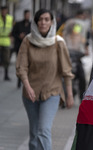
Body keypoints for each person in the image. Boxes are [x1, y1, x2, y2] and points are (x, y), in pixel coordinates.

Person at [16, 9, 74, 150]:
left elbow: (66, 71)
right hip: (30, 93)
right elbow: (21, 67)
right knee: (34, 132)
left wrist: (69, 95)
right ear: (35, 22)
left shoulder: (58, 42)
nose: (43, 22)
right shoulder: (28, 41)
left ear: (52, 22)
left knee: (43, 130)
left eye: (46, 19)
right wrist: (27, 86)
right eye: (40, 19)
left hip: (52, 92)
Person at [11, 9, 31, 88]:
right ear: (24, 15)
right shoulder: (18, 24)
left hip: (28, 48)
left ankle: (25, 80)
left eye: (29, 15)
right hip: (19, 47)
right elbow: (13, 33)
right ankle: (19, 80)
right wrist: (19, 36)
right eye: (26, 14)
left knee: (27, 65)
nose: (27, 16)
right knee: (19, 64)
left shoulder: (31, 25)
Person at [0, 6, 13, 81]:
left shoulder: (10, 18)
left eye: (5, 10)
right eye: (2, 10)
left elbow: (13, 28)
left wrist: (12, 37)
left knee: (7, 59)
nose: (4, 12)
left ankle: (6, 75)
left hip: (6, 40)